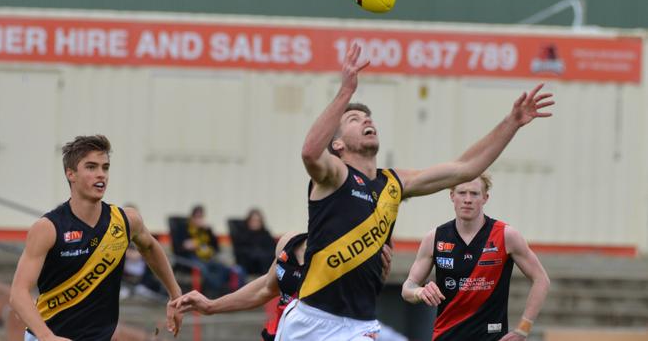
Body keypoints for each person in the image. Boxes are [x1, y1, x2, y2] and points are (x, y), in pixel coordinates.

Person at [275, 43, 554, 340]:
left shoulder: (395, 184)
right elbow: (309, 153)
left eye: (368, 117)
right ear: (338, 145)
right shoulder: (333, 175)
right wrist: (346, 93)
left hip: (359, 325)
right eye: (353, 120)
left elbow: (465, 168)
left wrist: (511, 123)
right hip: (312, 320)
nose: (366, 120)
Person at [9, 135, 183, 340]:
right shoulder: (48, 228)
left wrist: (176, 295)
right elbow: (18, 294)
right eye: (91, 167)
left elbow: (150, 248)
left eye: (105, 167)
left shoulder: (126, 220)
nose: (101, 175)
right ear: (71, 174)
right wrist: (47, 337)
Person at [401, 174, 550, 340]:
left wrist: (523, 329)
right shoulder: (435, 238)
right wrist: (420, 292)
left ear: (485, 198)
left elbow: (541, 280)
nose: (467, 199)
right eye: (462, 193)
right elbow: (408, 288)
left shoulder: (506, 235)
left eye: (474, 193)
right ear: (452, 196)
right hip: (446, 336)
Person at [170, 232, 393, 341]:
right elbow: (265, 288)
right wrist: (211, 306)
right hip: (281, 334)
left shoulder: (362, 252)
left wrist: (378, 279)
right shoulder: (291, 242)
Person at [174, 205, 245, 296]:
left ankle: (222, 290)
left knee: (221, 268)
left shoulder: (206, 230)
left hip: (207, 258)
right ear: (191, 217)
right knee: (203, 269)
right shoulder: (184, 229)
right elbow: (177, 248)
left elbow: (216, 248)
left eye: (201, 217)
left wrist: (209, 232)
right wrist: (185, 246)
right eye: (196, 217)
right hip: (190, 258)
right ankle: (219, 291)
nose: (199, 220)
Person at [235, 208, 276, 275]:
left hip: (266, 265)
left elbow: (273, 249)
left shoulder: (265, 234)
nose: (255, 223)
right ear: (248, 221)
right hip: (249, 265)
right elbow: (240, 252)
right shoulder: (242, 235)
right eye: (253, 220)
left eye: (258, 221)